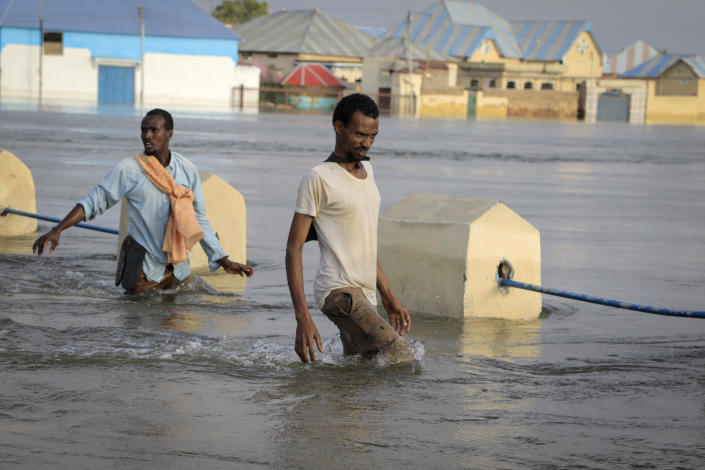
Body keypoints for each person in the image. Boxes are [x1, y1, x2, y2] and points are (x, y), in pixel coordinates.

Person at [32, 108, 253, 293]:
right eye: (143, 130)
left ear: (169, 134)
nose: (147, 135)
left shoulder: (187, 170)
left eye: (153, 130)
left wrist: (222, 259)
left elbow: (199, 218)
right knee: (140, 335)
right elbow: (94, 201)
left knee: (181, 334)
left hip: (178, 269)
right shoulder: (129, 170)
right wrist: (58, 229)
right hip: (143, 273)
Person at [285, 93, 411, 363]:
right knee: (404, 358)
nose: (367, 143)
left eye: (373, 136)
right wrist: (302, 317)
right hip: (339, 293)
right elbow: (293, 248)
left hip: (365, 294)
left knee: (359, 377)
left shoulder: (368, 171)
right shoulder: (318, 178)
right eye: (360, 134)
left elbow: (363, 244)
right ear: (338, 127)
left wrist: (388, 297)